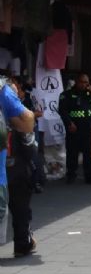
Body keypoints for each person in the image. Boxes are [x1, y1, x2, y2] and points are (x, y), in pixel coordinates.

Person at [4, 76, 38, 257]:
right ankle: (23, 243)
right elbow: (27, 120)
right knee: (20, 205)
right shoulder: (4, 90)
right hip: (11, 163)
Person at [58, 73, 91, 184]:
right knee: (72, 153)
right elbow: (62, 111)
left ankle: (90, 177)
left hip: (87, 129)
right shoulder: (66, 95)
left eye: (86, 83)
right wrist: (69, 123)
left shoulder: (90, 95)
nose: (84, 85)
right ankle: (71, 175)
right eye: (82, 82)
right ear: (76, 81)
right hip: (74, 129)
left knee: (88, 154)